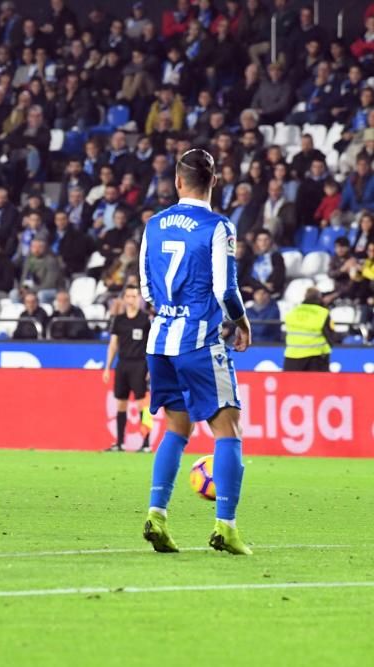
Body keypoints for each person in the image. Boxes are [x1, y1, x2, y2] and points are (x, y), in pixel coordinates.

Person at [140, 148, 253, 556]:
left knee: (177, 429)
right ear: (214, 182)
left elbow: (147, 291)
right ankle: (226, 526)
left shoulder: (153, 225)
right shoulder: (218, 225)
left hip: (160, 342)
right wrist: (240, 322)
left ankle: (156, 515)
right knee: (228, 430)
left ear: (176, 181)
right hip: (199, 343)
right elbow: (226, 289)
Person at [103, 284, 152, 453]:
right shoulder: (119, 320)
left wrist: (150, 368)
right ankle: (119, 442)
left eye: (135, 296)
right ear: (124, 299)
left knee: (141, 404)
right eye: (129, 296)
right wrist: (107, 367)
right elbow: (113, 344)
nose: (132, 299)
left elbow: (151, 346)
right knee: (121, 403)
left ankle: (146, 443)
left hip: (140, 364)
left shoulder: (145, 319)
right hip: (122, 364)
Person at [283, 287, 336, 372]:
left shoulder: (293, 312)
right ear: (319, 298)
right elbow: (331, 335)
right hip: (315, 357)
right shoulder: (323, 313)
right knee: (317, 385)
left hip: (292, 356)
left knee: (292, 385)